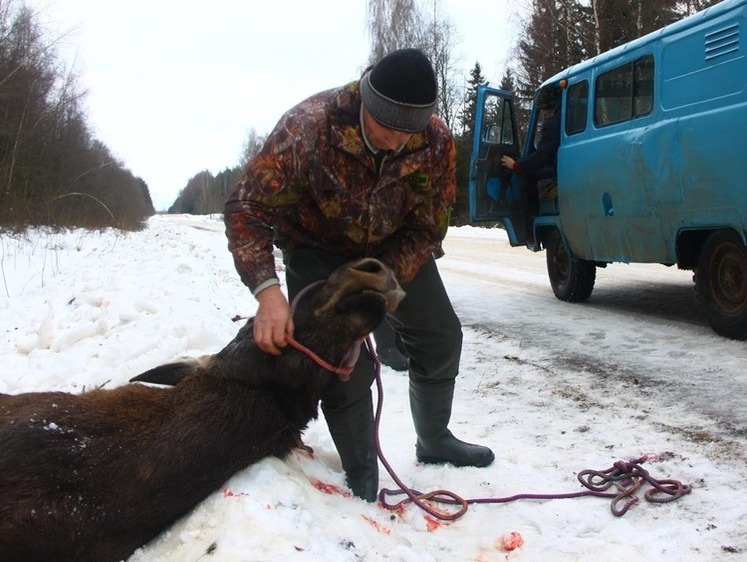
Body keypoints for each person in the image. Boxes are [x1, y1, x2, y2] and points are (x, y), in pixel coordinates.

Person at [224, 48, 494, 502]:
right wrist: (267, 291)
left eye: (408, 133)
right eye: (387, 129)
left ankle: (434, 440)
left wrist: (381, 281)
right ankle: (361, 472)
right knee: (343, 358)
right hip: (317, 249)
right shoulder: (307, 128)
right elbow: (245, 207)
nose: (396, 143)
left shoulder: (435, 140)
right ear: (367, 103)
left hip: (390, 252)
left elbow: (428, 227)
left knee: (441, 335)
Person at [500, 84, 561, 201]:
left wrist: (516, 165)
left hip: (559, 166)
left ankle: (531, 215)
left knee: (530, 176)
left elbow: (541, 157)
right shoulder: (567, 114)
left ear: (546, 105)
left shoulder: (552, 123)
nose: (543, 113)